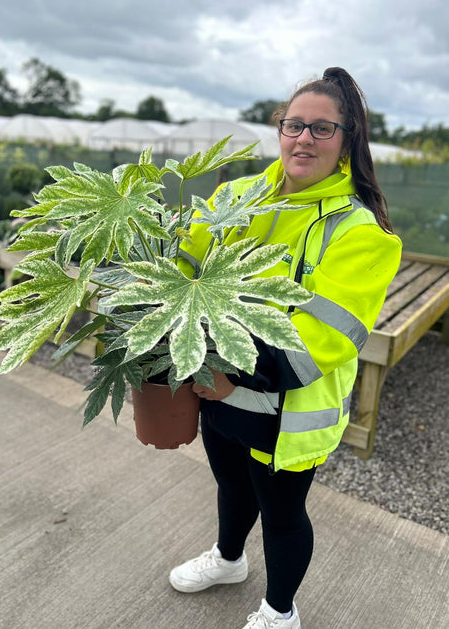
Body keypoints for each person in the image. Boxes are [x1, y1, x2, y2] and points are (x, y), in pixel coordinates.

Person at [170, 67, 402, 628]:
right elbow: (185, 268)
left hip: (284, 406)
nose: (303, 138)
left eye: (323, 129)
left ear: (349, 140)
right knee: (229, 482)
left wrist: (231, 376)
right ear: (279, 130)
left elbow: (325, 337)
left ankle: (280, 610)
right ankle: (229, 560)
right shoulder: (237, 196)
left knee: (281, 513)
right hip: (215, 388)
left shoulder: (360, 232)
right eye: (293, 125)